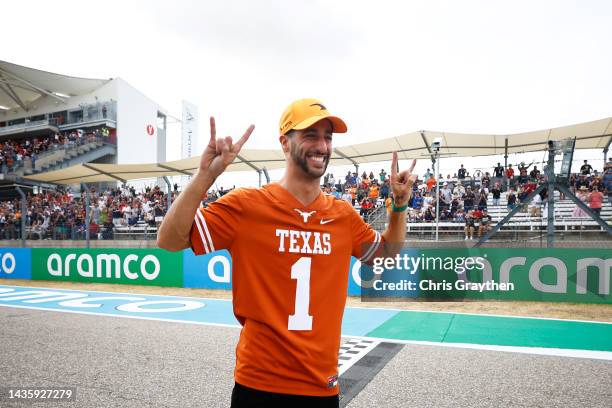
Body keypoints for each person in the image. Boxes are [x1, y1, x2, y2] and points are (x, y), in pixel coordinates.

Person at [157, 98, 417, 407]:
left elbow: (386, 255)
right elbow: (169, 240)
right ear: (285, 142)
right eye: (310, 135)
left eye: (328, 137)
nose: (322, 145)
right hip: (258, 383)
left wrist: (399, 206)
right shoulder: (246, 205)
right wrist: (205, 176)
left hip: (321, 386)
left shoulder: (343, 216)